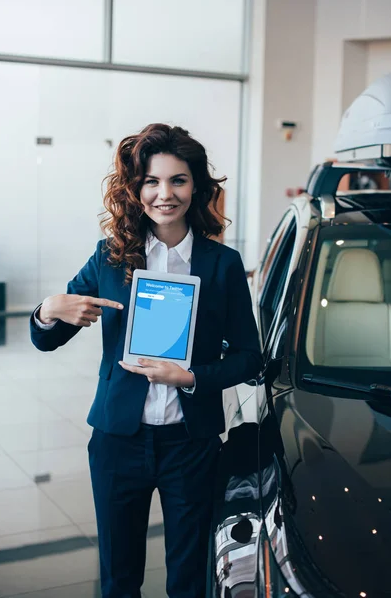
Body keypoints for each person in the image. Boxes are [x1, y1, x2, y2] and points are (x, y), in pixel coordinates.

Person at [30, 123, 262, 598]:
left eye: (178, 180)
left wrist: (192, 376)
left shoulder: (222, 265)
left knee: (189, 580)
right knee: (118, 579)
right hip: (119, 443)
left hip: (190, 445)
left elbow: (249, 359)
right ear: (136, 190)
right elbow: (46, 340)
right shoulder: (112, 259)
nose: (165, 194)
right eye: (152, 182)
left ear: (196, 186)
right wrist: (48, 310)